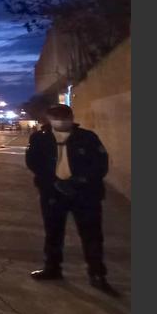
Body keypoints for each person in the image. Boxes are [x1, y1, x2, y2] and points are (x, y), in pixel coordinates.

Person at [26, 104, 111, 291]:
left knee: (92, 235)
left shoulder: (87, 137)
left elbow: (100, 164)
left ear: (72, 118)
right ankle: (52, 268)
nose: (61, 121)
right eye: (56, 117)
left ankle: (97, 274)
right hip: (53, 193)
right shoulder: (40, 138)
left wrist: (78, 181)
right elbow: (33, 163)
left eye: (65, 117)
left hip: (85, 194)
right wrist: (53, 182)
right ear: (49, 119)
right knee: (53, 232)